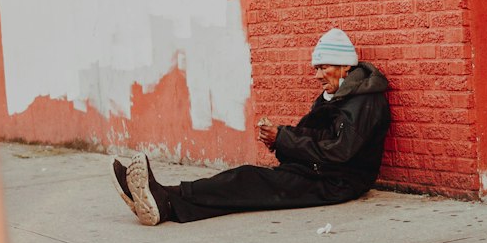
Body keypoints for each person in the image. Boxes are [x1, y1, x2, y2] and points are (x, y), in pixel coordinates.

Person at [112, 28, 390, 225]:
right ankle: (164, 199)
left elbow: (340, 151)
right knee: (245, 184)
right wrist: (277, 140)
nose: (316, 75)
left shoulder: (365, 101)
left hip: (337, 183)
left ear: (344, 67)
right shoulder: (336, 96)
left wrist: (283, 138)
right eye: (315, 68)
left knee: (246, 182)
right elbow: (315, 137)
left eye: (322, 68)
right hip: (319, 172)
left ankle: (164, 199)